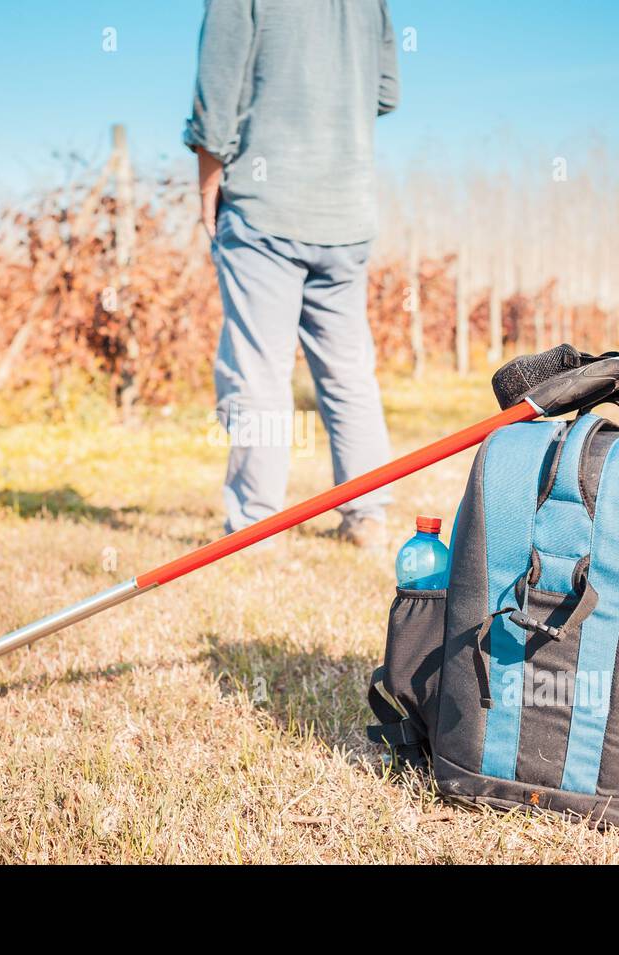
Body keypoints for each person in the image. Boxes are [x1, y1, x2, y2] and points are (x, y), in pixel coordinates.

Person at [185, 0, 399, 549]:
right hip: (347, 214)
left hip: (264, 208)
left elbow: (217, 89)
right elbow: (385, 93)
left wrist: (208, 182)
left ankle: (256, 526)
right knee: (349, 372)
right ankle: (367, 515)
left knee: (259, 371)